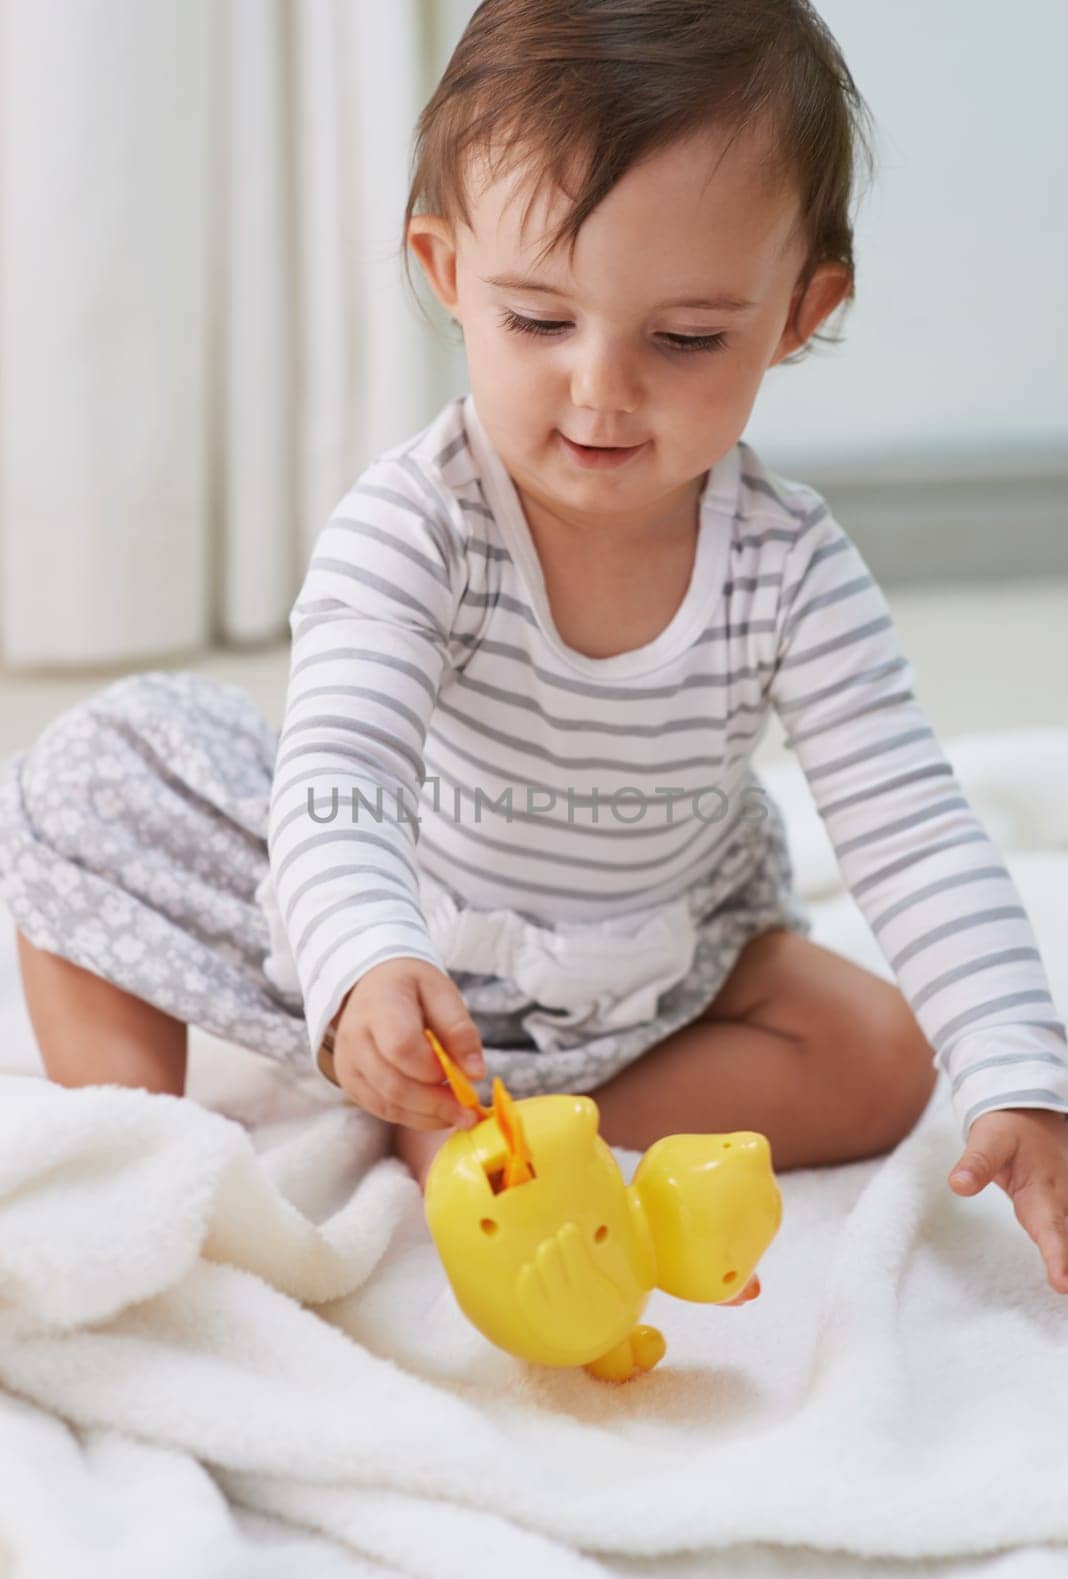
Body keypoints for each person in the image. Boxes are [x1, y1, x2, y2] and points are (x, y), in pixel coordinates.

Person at [5, 0, 1068, 1295]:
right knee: (85, 784)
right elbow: (343, 768)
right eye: (540, 322)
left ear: (800, 311)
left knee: (887, 1055)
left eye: (684, 339)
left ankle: (498, 1124)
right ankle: (147, 1150)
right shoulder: (420, 524)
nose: (602, 389)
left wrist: (1019, 1067)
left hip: (641, 962)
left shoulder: (790, 566)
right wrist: (361, 966)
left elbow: (909, 820)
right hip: (398, 922)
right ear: (449, 273)